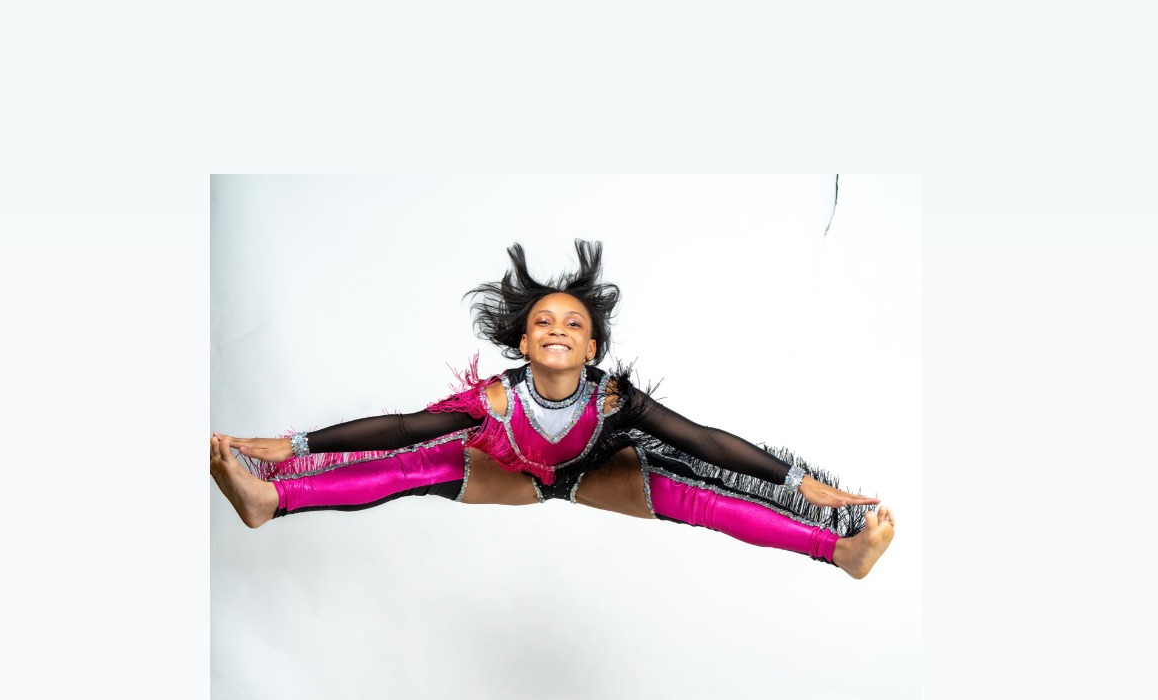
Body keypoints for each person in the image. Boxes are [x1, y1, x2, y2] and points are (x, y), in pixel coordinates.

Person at [210, 240, 894, 578]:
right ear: (523, 342)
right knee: (417, 463)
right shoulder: (495, 400)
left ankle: (838, 550)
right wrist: (294, 446)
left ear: (592, 346)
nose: (557, 330)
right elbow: (401, 427)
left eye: (573, 323)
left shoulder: (614, 399)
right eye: (543, 322)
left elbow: (703, 440)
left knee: (697, 492)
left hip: (600, 474)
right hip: (514, 474)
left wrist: (799, 481)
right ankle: (273, 499)